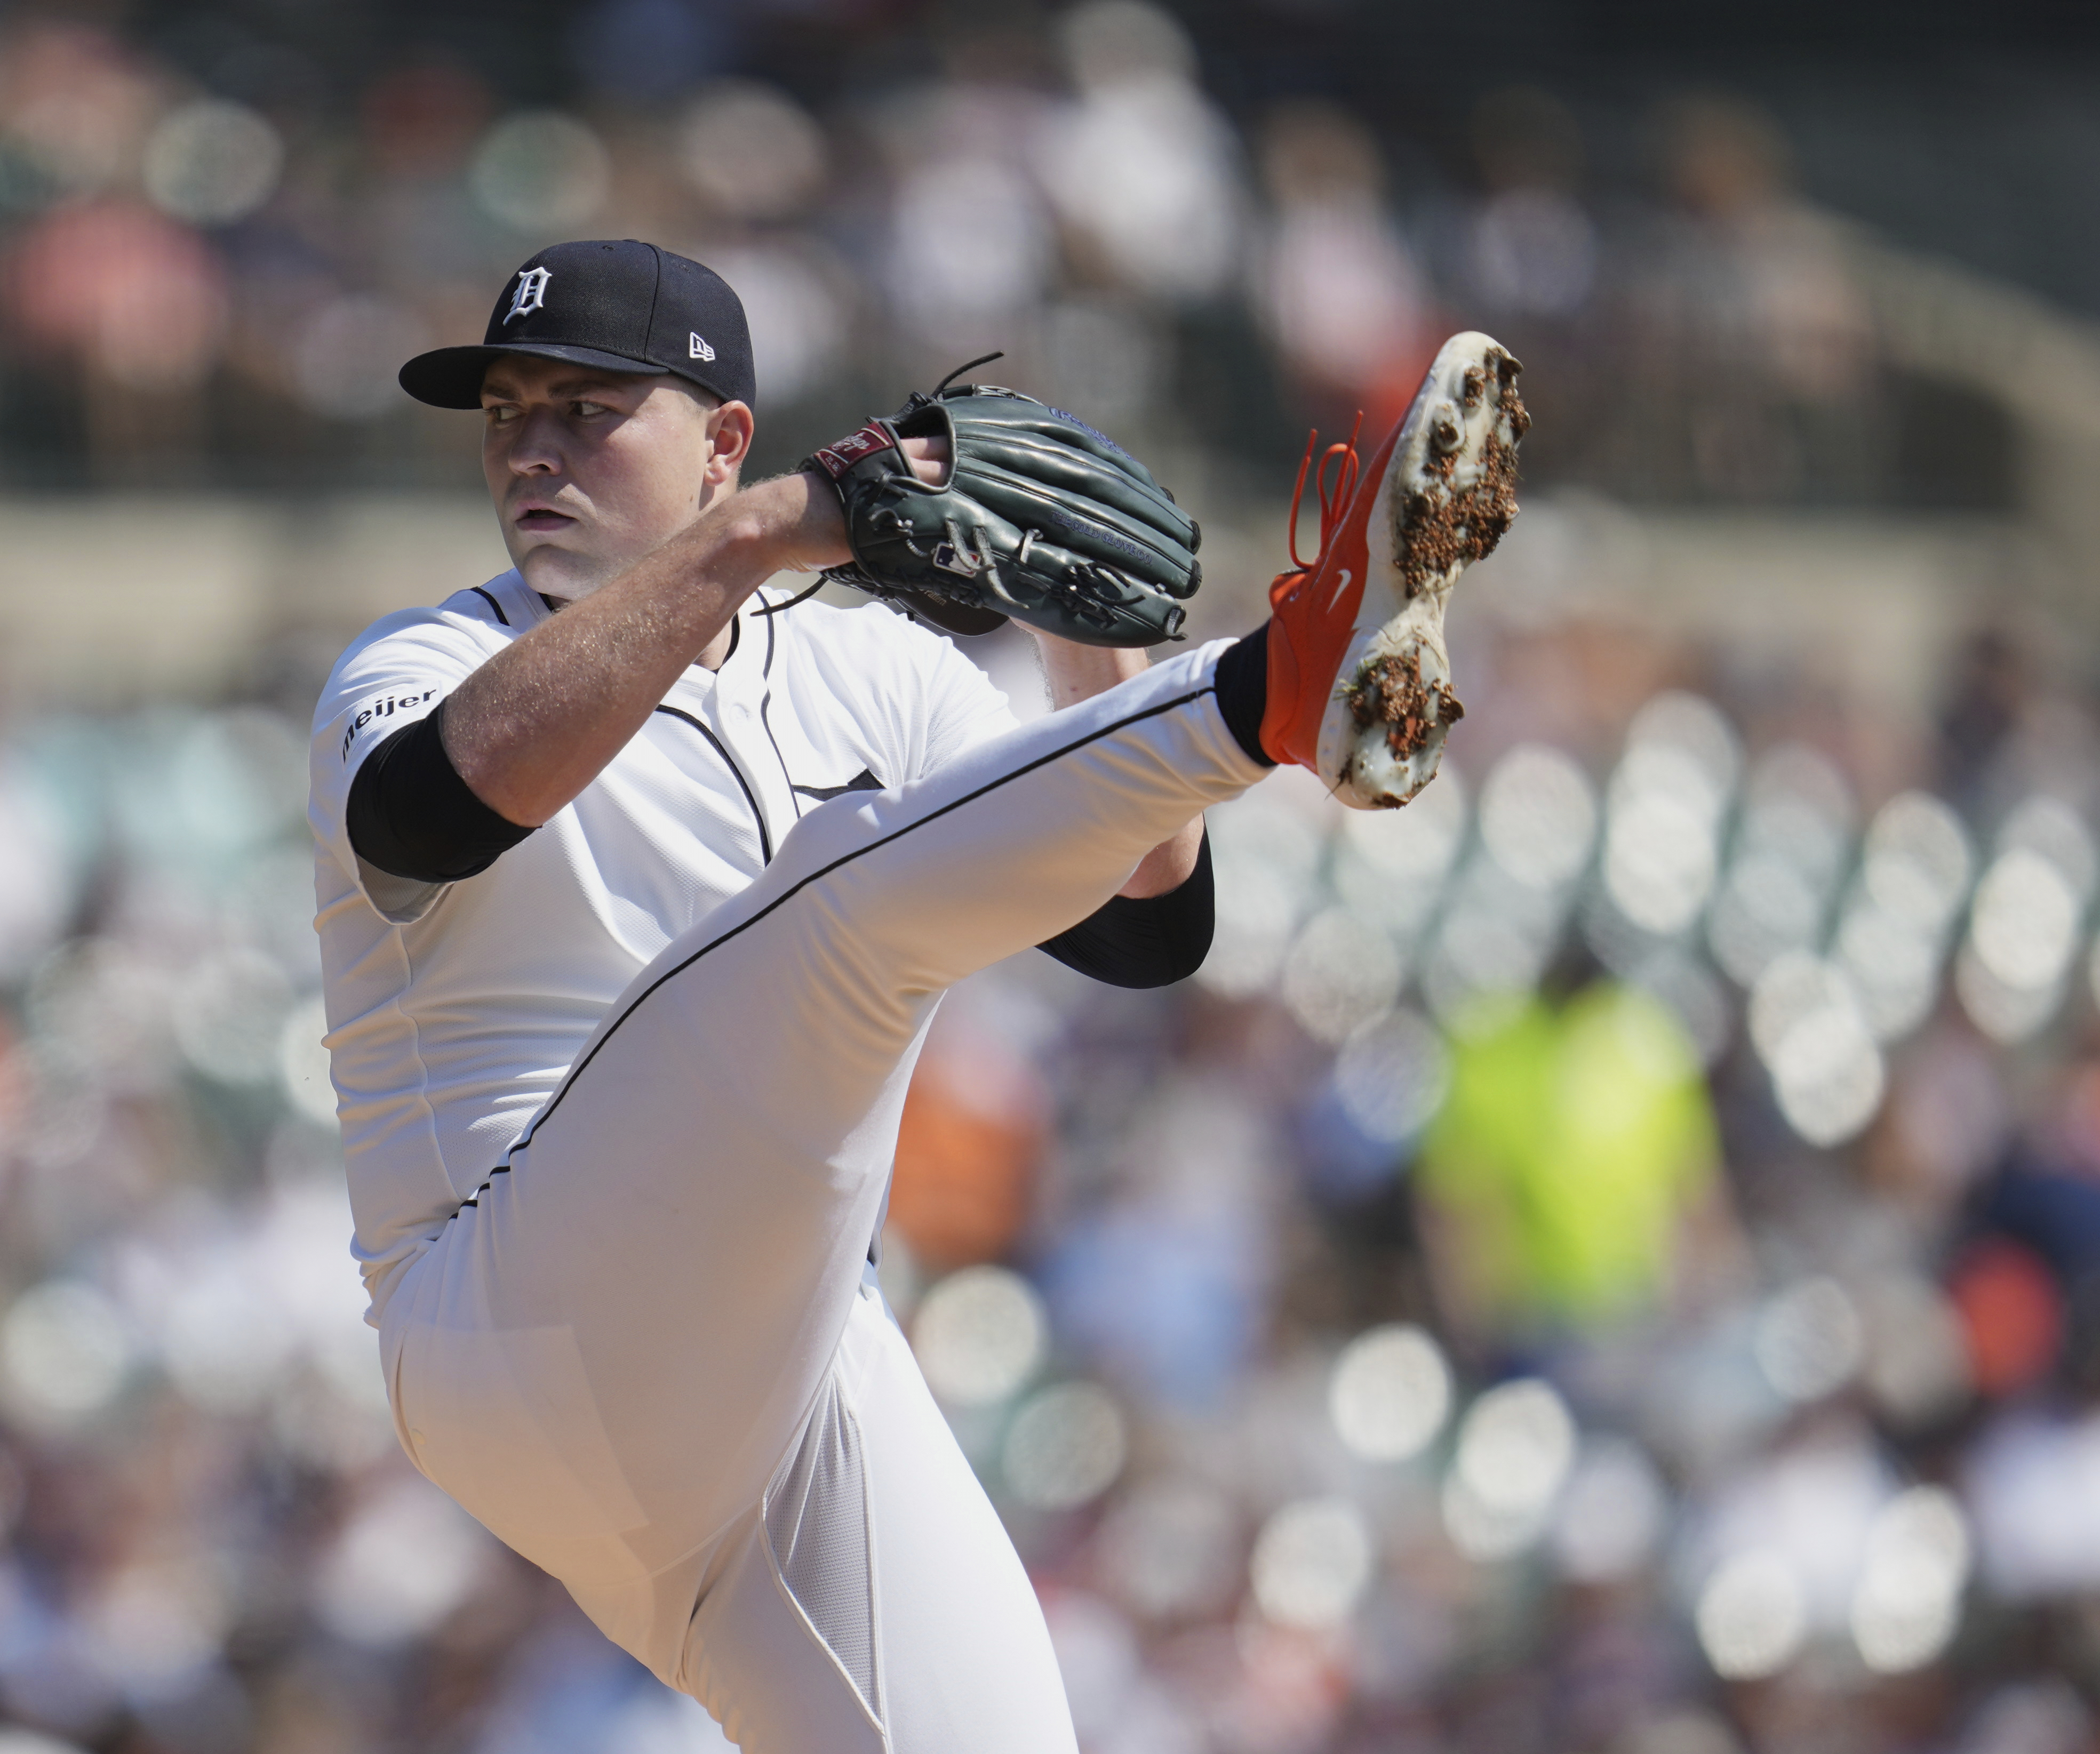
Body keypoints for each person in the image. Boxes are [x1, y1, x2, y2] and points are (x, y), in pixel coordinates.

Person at [309, 238, 1522, 1751]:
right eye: (507, 412)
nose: (532, 448)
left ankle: (1267, 685)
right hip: (508, 1314)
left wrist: (1107, 648)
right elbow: (429, 815)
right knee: (840, 908)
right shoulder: (426, 658)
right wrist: (762, 535)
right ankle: (1281, 681)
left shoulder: (861, 663)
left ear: (724, 439)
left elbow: (1142, 926)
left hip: (782, 1375)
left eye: (586, 408)